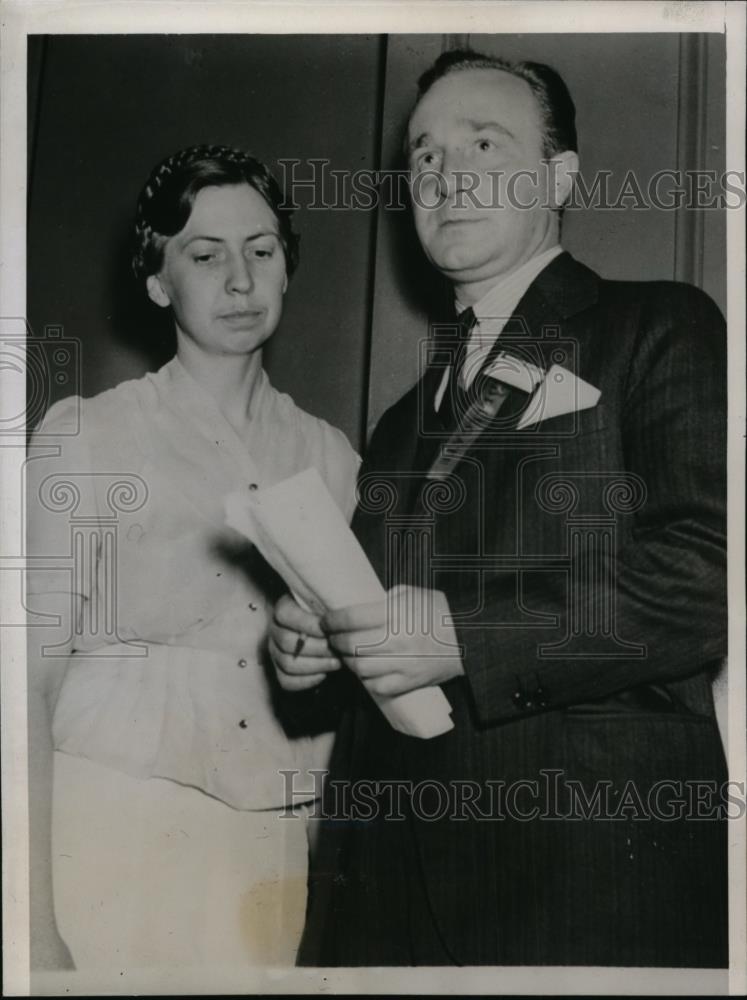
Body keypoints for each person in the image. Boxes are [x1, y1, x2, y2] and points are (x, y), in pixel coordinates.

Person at [270, 51, 729, 967]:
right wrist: (316, 645)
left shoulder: (660, 326)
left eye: (485, 142)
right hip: (393, 888)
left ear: (560, 176)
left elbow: (708, 576)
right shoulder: (403, 422)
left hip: (584, 874)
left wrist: (469, 640)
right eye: (426, 155)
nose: (448, 175)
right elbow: (384, 627)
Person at [26, 144, 359, 974]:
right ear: (156, 280)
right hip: (111, 825)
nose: (239, 281)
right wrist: (31, 927)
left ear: (287, 266)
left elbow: (331, 703)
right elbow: (23, 683)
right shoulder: (89, 434)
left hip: (268, 849)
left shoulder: (332, 459)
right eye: (205, 256)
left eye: (261, 250)